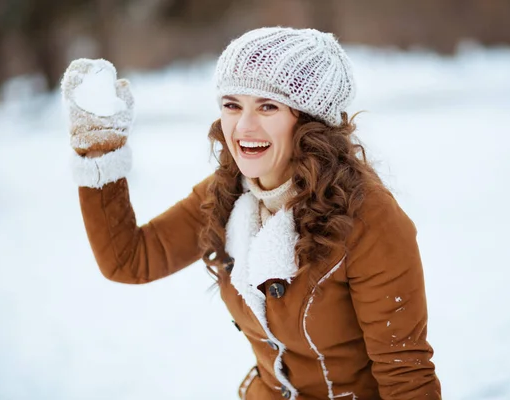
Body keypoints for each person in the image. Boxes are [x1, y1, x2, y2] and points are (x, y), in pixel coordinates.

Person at [62, 27, 441, 400]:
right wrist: (100, 151)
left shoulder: (367, 216)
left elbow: (405, 373)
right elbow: (129, 260)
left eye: (268, 106)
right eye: (232, 105)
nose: (243, 126)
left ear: (310, 120)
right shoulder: (227, 192)